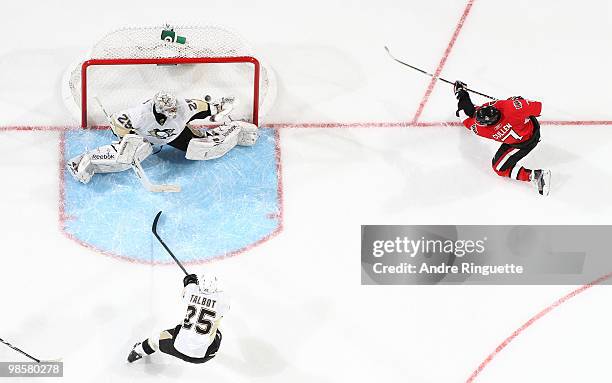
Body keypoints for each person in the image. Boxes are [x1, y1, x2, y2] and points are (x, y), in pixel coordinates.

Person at [66, 92, 259, 185]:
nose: (175, 114)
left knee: (204, 150)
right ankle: (82, 163)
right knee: (123, 160)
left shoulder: (185, 106)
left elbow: (208, 107)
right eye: (170, 112)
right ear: (158, 109)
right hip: (146, 138)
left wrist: (221, 107)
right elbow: (117, 123)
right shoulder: (140, 114)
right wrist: (128, 138)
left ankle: (237, 131)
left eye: (175, 110)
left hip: (177, 136)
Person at [454, 81, 551, 196]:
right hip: (528, 135)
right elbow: (538, 107)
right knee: (500, 167)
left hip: (522, 142)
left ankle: (537, 176)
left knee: (499, 168)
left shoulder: (480, 129)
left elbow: (465, 113)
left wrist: (461, 94)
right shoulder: (511, 108)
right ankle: (537, 176)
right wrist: (520, 103)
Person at [127, 272, 230, 364]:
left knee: (155, 339)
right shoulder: (222, 298)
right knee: (218, 328)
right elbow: (223, 308)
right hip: (204, 355)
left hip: (179, 348)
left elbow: (186, 288)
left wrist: (190, 281)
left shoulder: (191, 290)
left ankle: (137, 352)